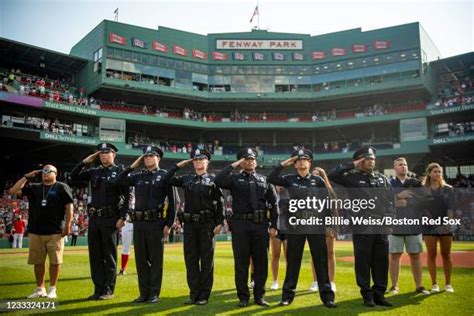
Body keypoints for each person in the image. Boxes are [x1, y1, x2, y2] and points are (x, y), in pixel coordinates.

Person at [268, 149, 336, 308]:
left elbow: (327, 204)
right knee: (293, 262)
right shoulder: (289, 179)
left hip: (315, 224)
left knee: (320, 261)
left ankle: (327, 297)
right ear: (294, 163)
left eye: (305, 159)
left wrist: (330, 225)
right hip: (296, 225)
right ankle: (287, 297)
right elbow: (271, 178)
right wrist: (284, 163)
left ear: (310, 162)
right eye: (298, 160)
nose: (301, 162)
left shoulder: (318, 181)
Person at [328, 146, 394, 307]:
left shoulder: (382, 179)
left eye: (372, 158)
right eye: (367, 159)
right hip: (362, 226)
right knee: (363, 262)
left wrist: (391, 220)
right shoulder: (352, 178)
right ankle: (367, 296)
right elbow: (333, 175)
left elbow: (390, 202)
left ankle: (380, 295)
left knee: (381, 262)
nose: (371, 161)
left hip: (381, 225)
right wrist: (353, 164)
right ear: (360, 161)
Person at [215, 148, 278, 307]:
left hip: (260, 225)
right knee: (241, 262)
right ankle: (243, 297)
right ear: (242, 162)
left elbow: (274, 204)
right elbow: (218, 180)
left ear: (256, 161)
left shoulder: (265, 180)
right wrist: (235, 165)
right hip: (240, 226)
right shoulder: (234, 179)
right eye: (246, 159)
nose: (249, 161)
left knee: (261, 263)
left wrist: (274, 225)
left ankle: (259, 296)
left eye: (252, 159)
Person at [70, 143, 130, 300]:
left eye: (107, 153)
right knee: (95, 256)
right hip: (95, 218)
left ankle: (108, 290)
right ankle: (98, 289)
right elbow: (73, 176)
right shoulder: (94, 171)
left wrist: (123, 217)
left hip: (111, 219)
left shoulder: (120, 172)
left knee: (109, 255)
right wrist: (85, 162)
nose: (103, 155)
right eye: (101, 153)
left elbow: (127, 197)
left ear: (113, 155)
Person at [116, 145, 175, 304]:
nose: (148, 158)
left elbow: (173, 202)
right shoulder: (138, 176)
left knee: (155, 260)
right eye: (146, 156)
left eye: (151, 156)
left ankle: (154, 293)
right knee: (141, 260)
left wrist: (169, 224)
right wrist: (133, 166)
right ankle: (143, 293)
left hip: (156, 223)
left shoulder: (165, 176)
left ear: (158, 158)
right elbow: (119, 179)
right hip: (139, 223)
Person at [166, 148, 225, 305]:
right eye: (196, 160)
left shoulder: (214, 180)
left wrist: (220, 222)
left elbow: (221, 202)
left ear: (207, 162)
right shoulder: (186, 179)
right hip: (190, 225)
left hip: (207, 225)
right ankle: (194, 294)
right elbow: (166, 178)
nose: (199, 162)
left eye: (201, 159)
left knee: (206, 260)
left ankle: (204, 295)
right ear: (192, 162)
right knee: (191, 260)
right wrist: (178, 166)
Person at [8, 165, 73, 299]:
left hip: (55, 231)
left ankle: (52, 289)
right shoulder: (35, 187)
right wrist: (27, 176)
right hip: (36, 231)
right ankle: (40, 289)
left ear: (56, 173)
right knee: (38, 261)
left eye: (48, 171)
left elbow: (69, 207)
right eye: (43, 171)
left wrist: (68, 225)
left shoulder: (61, 186)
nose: (45, 173)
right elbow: (13, 191)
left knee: (55, 261)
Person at [388, 158, 429, 295]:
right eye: (400, 165)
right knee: (395, 255)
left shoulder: (416, 183)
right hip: (395, 224)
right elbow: (381, 201)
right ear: (394, 168)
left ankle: (419, 285)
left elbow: (424, 201)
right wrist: (397, 198)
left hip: (413, 224)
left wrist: (408, 202)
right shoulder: (388, 183)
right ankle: (394, 286)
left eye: (405, 164)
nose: (403, 167)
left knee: (415, 255)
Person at [422, 163, 455, 293]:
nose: (438, 174)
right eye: (435, 171)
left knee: (446, 254)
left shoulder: (448, 189)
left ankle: (448, 284)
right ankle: (434, 284)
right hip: (429, 225)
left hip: (445, 225)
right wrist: (433, 223)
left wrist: (448, 223)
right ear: (429, 173)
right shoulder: (423, 190)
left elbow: (451, 208)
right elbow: (422, 208)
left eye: (439, 171)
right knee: (432, 254)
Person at [309, 167, 337, 293]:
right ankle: (316, 281)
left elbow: (333, 211)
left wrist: (332, 227)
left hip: (327, 225)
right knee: (314, 254)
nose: (315, 176)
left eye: (318, 174)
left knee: (330, 253)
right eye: (313, 174)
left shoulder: (329, 192)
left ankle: (331, 282)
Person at [269, 186, 288, 291]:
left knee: (288, 256)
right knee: (275, 255)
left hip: (288, 229)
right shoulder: (272, 195)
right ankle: (275, 281)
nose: (280, 186)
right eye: (278, 184)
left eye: (282, 184)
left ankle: (288, 281)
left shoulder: (289, 195)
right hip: (276, 228)